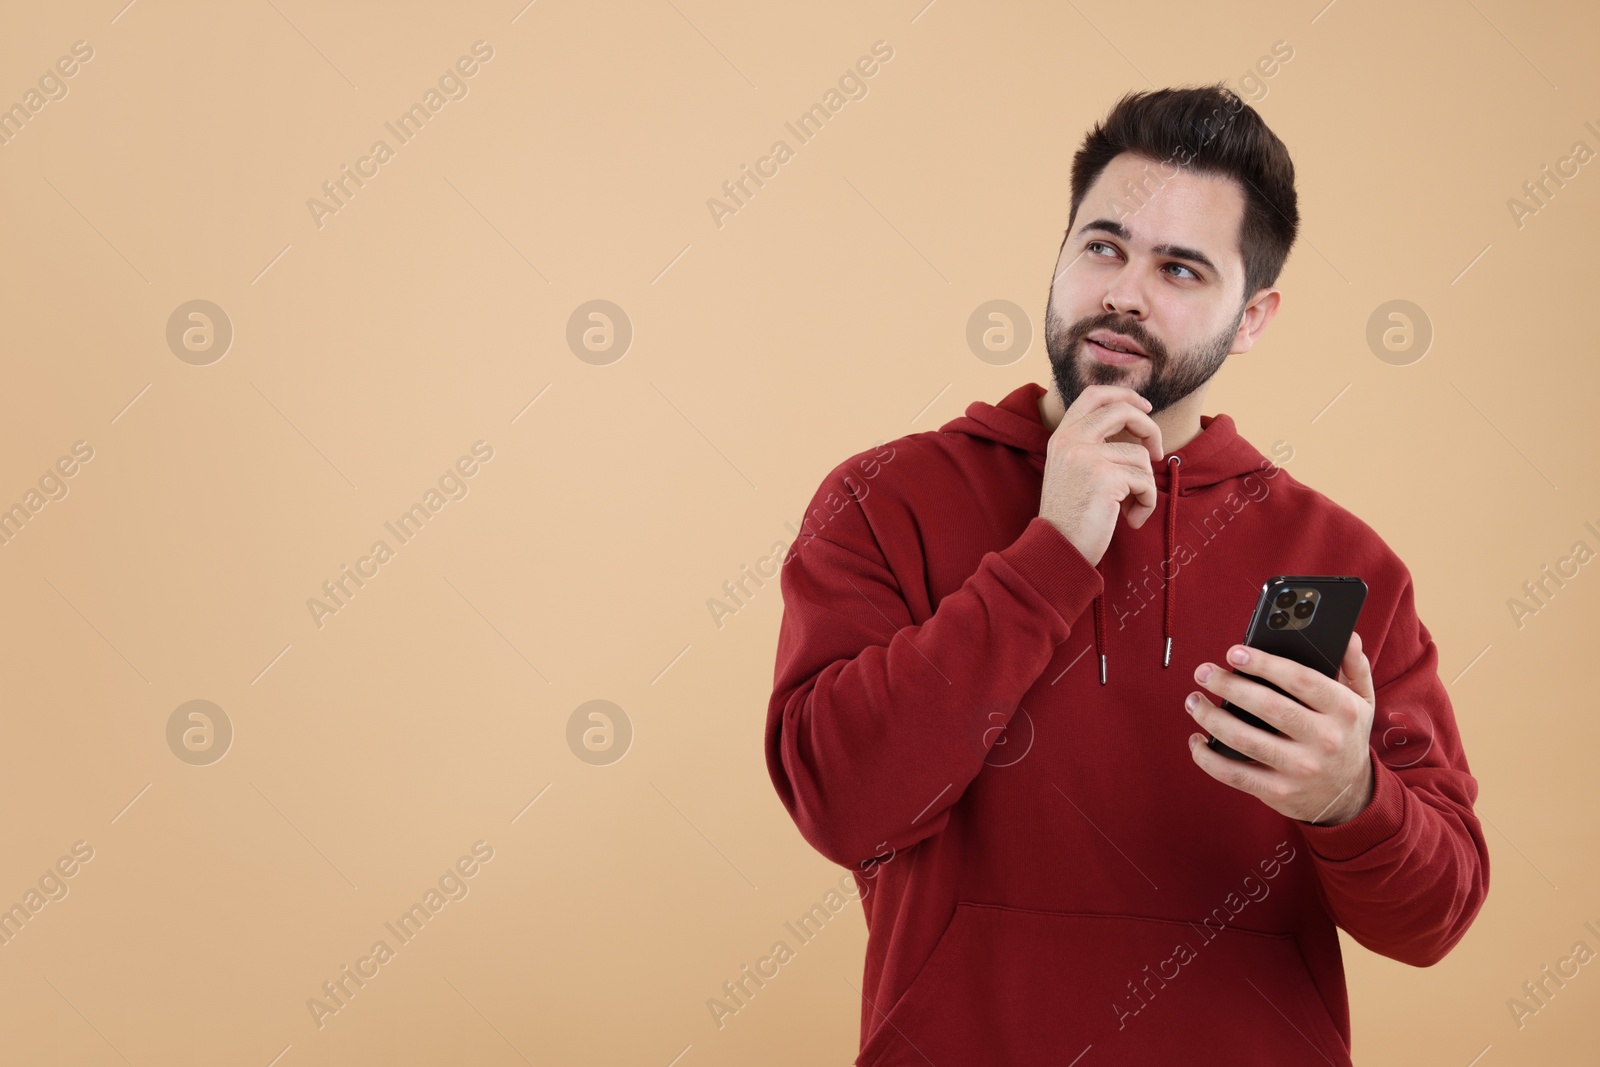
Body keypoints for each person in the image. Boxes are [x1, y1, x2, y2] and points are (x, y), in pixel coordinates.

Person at [764, 84, 1488, 1066]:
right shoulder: (883, 500)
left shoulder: (1341, 563)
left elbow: (1433, 916)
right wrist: (1049, 552)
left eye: (1180, 267)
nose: (1123, 292)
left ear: (1252, 317)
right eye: (1102, 245)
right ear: (1061, 254)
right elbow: (841, 802)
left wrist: (1350, 793)